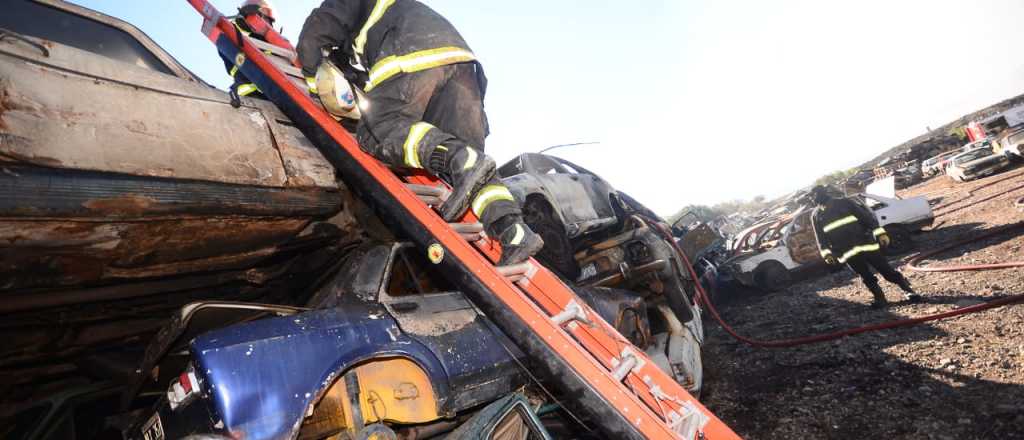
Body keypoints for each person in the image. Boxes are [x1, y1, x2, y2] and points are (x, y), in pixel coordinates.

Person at [295, 0, 543, 265]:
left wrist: (314, 86)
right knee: (472, 167)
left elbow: (313, 36)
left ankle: (460, 159)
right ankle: (514, 233)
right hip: (460, 62)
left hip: (411, 51)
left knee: (379, 129)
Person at [808, 185, 922, 308]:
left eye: (815, 195)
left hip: (866, 245)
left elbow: (867, 218)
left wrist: (880, 233)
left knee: (886, 270)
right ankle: (880, 299)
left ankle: (908, 291)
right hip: (848, 252)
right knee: (866, 277)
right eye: (811, 197)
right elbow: (820, 237)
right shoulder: (816, 215)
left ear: (824, 193)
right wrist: (827, 253)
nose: (813, 198)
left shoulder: (844, 202)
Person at [220, 0, 279, 101]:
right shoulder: (245, 41)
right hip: (260, 96)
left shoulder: (238, 40)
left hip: (260, 96)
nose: (268, 25)